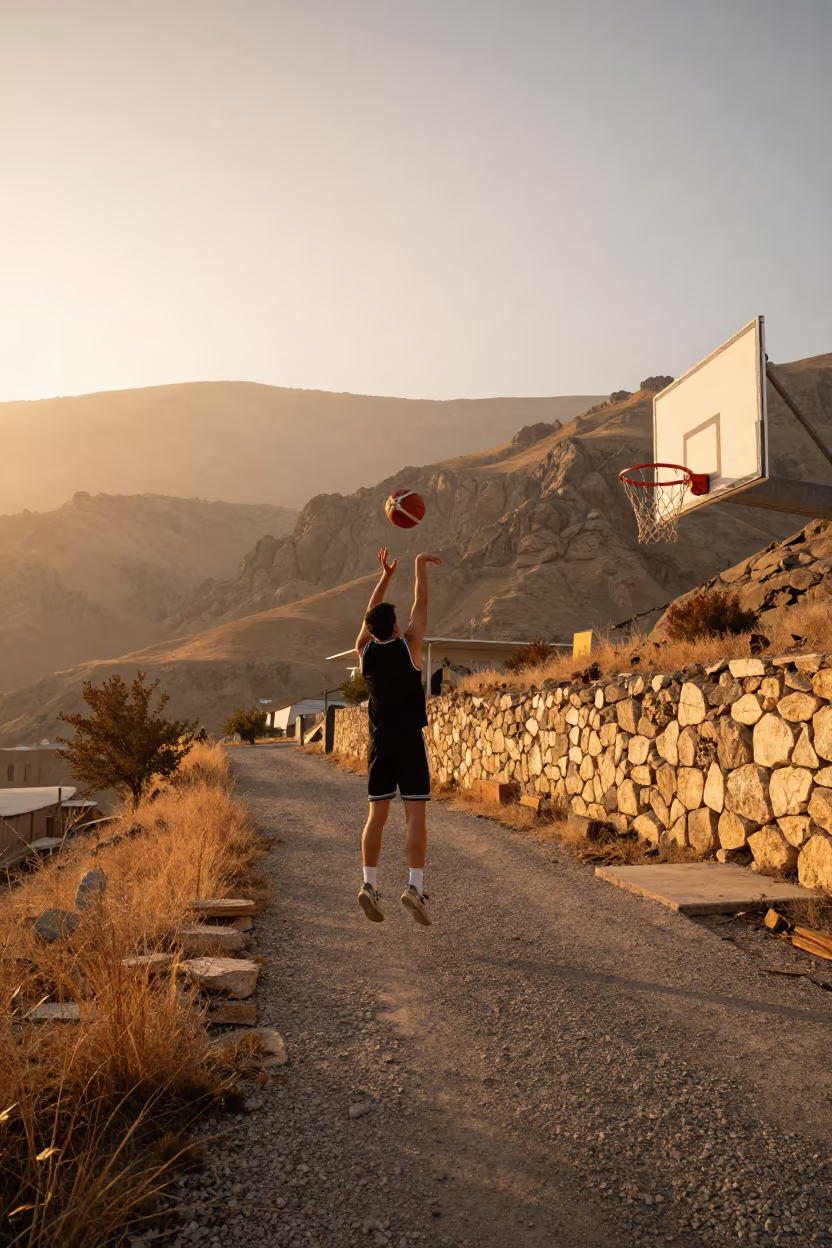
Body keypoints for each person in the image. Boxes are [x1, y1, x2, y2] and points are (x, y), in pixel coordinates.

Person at [354, 546, 441, 926]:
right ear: (394, 628)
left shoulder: (364, 653)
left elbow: (368, 616)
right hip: (409, 742)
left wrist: (384, 577)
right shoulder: (411, 646)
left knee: (377, 816)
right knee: (415, 815)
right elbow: (421, 603)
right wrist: (419, 566)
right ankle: (414, 888)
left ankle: (369, 885)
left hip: (379, 744)